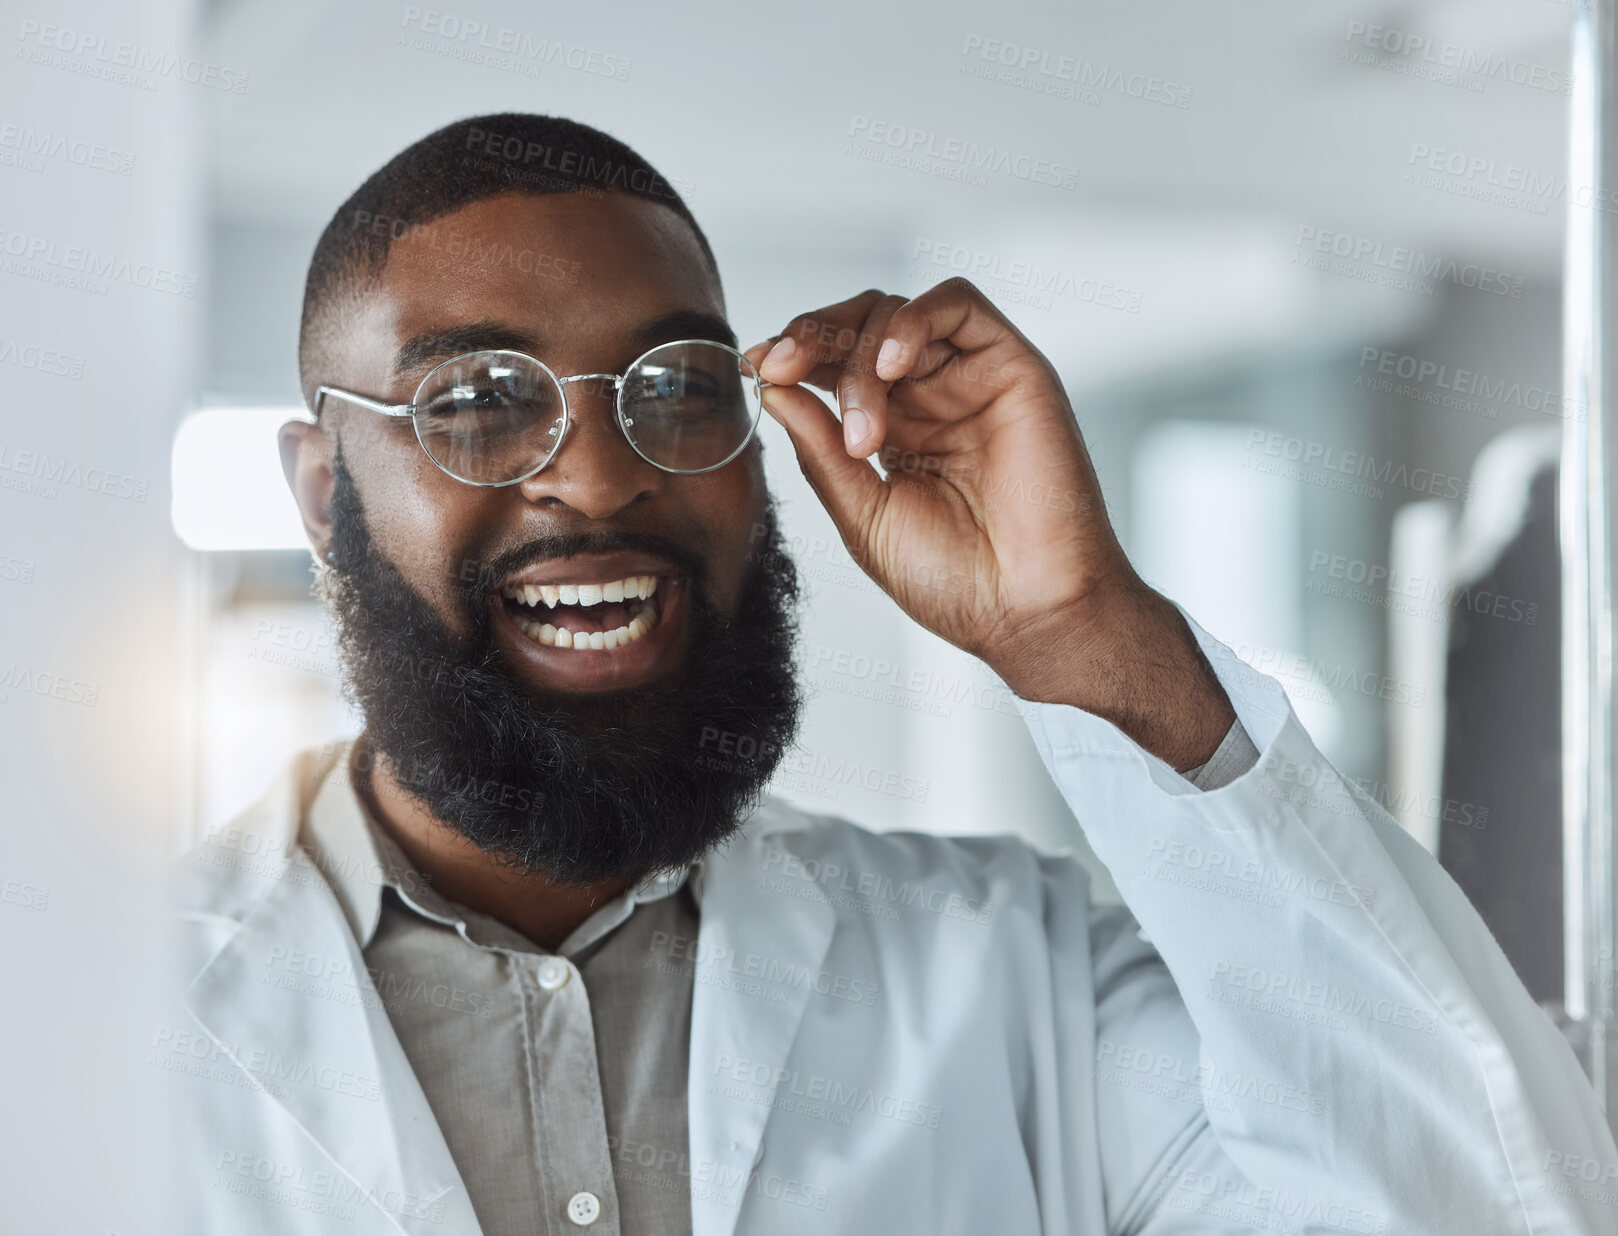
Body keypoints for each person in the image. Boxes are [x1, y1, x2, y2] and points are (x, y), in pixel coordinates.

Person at [166, 112, 1617, 1235]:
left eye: (676, 388)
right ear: (318, 487)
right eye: (477, 401)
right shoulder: (98, 1015)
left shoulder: (1006, 978)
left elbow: (1480, 1202)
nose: (598, 479)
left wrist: (1077, 629)